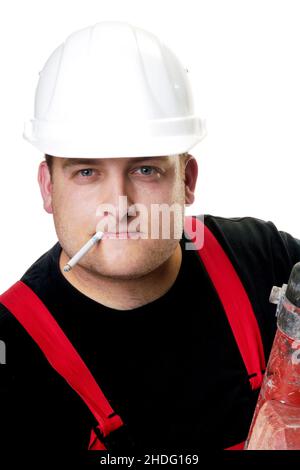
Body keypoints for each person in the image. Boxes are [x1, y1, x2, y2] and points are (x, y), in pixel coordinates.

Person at [0, 21, 300, 459]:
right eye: (87, 172)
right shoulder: (15, 354)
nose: (118, 205)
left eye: (145, 170)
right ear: (48, 188)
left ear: (187, 181)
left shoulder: (264, 260)